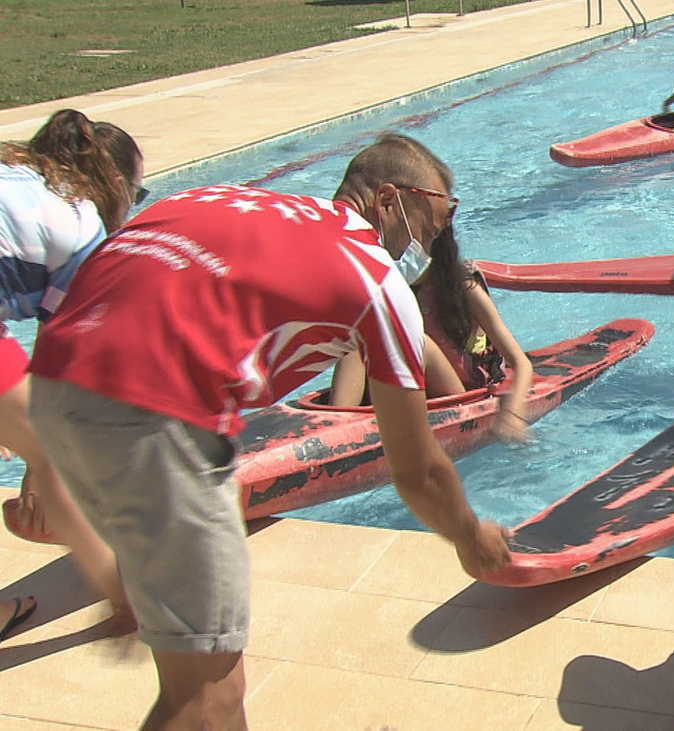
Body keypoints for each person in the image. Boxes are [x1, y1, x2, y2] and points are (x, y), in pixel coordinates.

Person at [26, 132, 512, 729]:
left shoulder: (224, 199)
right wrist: (468, 536)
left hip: (52, 385)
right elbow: (417, 471)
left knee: (200, 680)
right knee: (208, 699)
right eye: (431, 229)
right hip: (155, 416)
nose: (430, 251)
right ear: (387, 200)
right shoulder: (375, 281)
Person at [0, 109, 146, 631]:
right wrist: (39, 471)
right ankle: (124, 594)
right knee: (50, 446)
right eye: (139, 193)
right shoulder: (83, 223)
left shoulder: (21, 173)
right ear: (116, 184)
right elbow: (58, 365)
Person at [329, 177, 534, 442]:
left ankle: (337, 435)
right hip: (414, 391)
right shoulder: (392, 287)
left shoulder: (464, 288)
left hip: (456, 396)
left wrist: (512, 416)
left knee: (417, 341)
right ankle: (334, 423)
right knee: (360, 336)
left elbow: (521, 363)